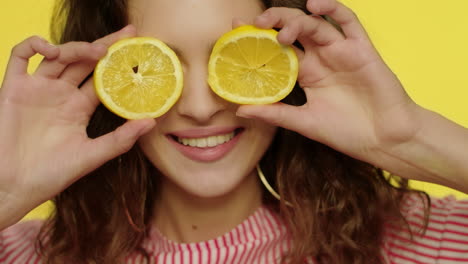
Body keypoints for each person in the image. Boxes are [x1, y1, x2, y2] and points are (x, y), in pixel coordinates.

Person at [1, 0, 468, 263]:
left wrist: (408, 139)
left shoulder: (417, 240)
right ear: (110, 79)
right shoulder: (25, 255)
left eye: (234, 59)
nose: (202, 108)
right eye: (160, 65)